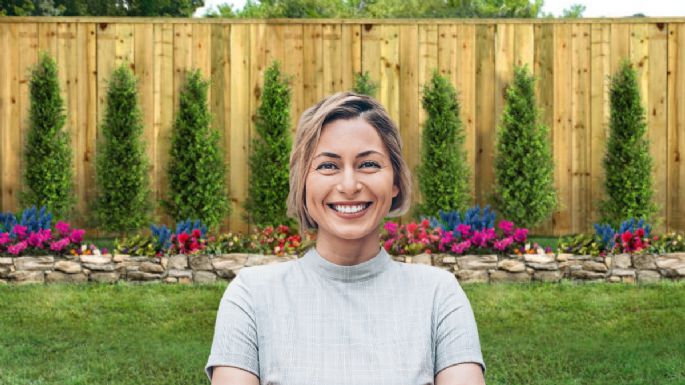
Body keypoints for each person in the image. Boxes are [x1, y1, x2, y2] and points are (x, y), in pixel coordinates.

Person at [205, 92, 486, 385]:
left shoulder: (438, 296)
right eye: (328, 166)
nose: (349, 185)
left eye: (368, 165)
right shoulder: (251, 296)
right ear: (302, 182)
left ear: (395, 183)